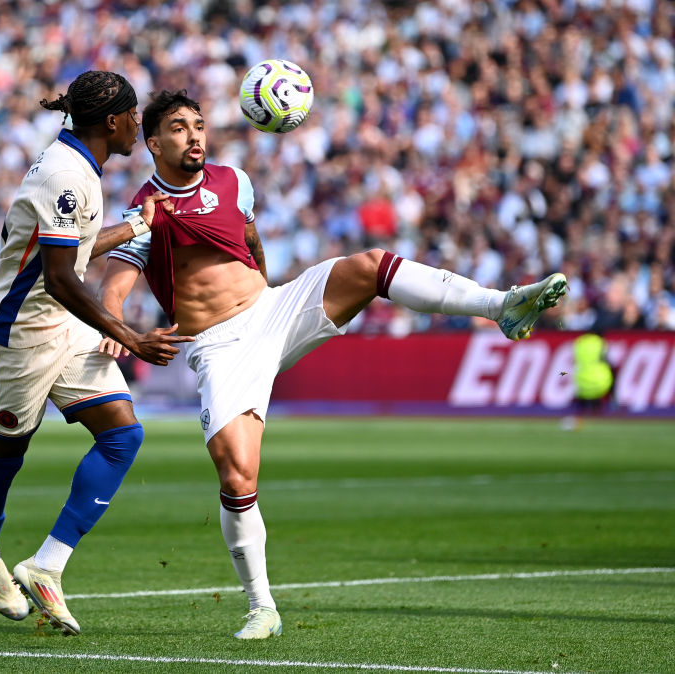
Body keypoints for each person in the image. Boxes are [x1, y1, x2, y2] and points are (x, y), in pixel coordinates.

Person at [98, 90, 568, 639]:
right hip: (219, 343)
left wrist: (270, 286)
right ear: (153, 143)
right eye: (179, 128)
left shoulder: (235, 180)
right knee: (236, 474)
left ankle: (501, 306)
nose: (195, 134)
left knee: (368, 265)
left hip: (273, 307)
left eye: (199, 124)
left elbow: (248, 237)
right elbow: (114, 287)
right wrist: (120, 332)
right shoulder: (144, 209)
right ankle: (263, 608)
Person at [0, 71, 193, 636]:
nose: (139, 125)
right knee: (5, 454)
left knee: (122, 434)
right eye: (135, 116)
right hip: (15, 336)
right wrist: (130, 334)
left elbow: (75, 247)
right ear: (112, 121)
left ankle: (47, 564)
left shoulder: (77, 165)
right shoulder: (67, 176)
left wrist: (137, 224)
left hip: (60, 325)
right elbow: (62, 278)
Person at [562, 330, 614, 429]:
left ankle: (578, 420)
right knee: (597, 407)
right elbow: (607, 360)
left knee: (582, 406)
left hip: (583, 382)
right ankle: (604, 416)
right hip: (601, 381)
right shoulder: (600, 342)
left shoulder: (579, 342)